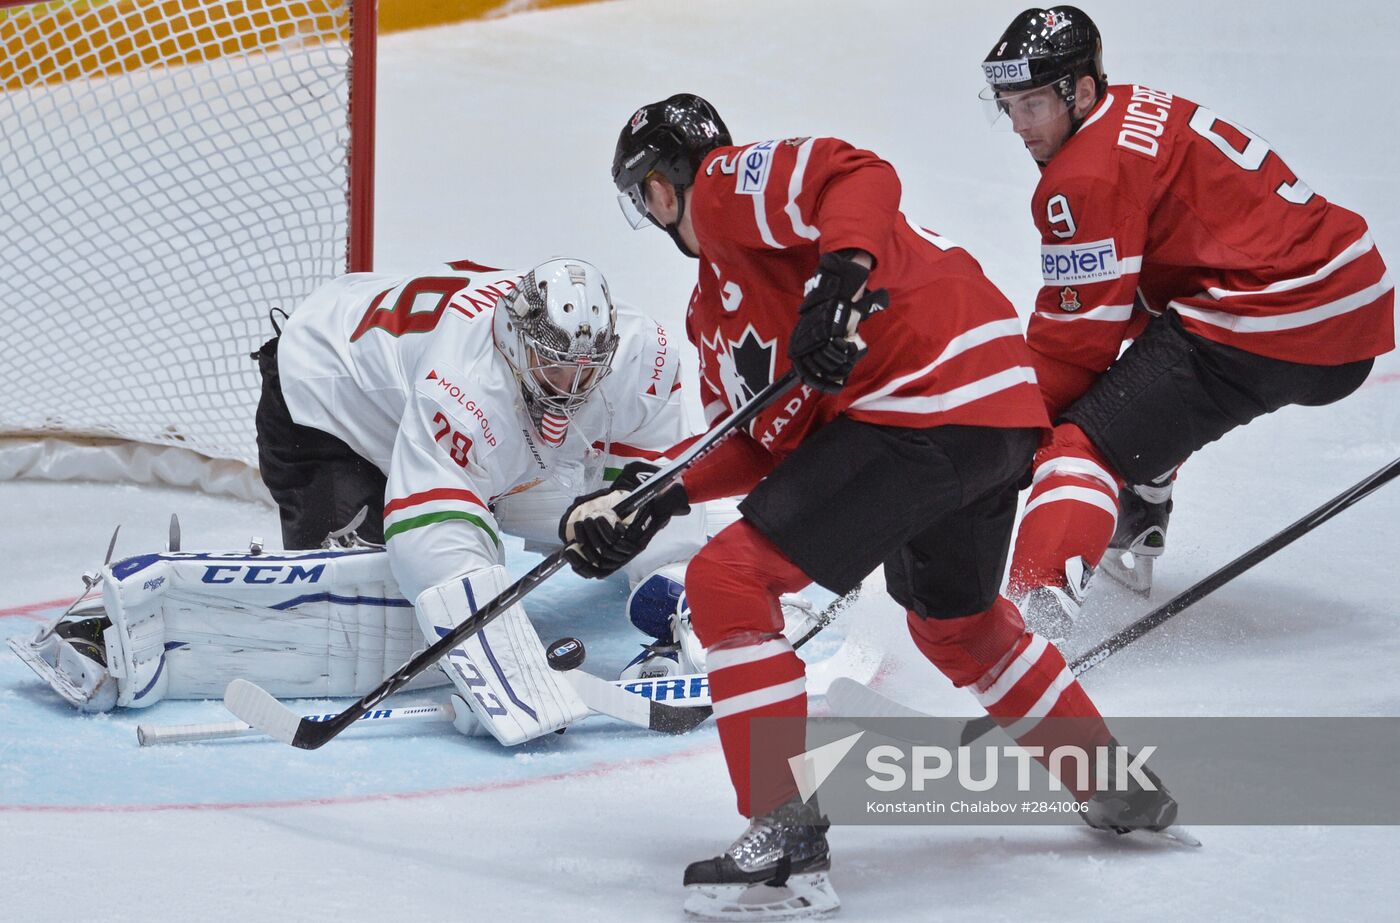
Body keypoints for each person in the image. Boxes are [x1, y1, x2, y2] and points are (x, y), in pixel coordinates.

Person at [560, 94, 1177, 921]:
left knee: (728, 579)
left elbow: (854, 173)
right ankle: (1107, 780)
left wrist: (840, 278)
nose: (651, 212)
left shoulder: (723, 188)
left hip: (927, 394)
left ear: (662, 189)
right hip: (991, 414)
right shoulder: (712, 313)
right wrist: (653, 497)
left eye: (644, 195)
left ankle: (785, 842)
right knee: (957, 625)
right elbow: (761, 447)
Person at [14, 259, 715, 745]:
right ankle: (115, 623)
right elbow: (432, 535)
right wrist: (506, 679)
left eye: (584, 366)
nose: (569, 381)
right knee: (358, 609)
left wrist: (664, 573)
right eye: (552, 362)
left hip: (452, 423)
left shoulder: (638, 354)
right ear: (514, 336)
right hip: (326, 402)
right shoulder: (466, 386)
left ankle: (681, 601)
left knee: (600, 505)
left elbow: (654, 477)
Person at [979, 7, 1394, 638]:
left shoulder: (1084, 175)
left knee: (1077, 442)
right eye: (1007, 104)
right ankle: (1142, 503)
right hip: (1345, 296)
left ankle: (1027, 635)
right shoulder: (1134, 106)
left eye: (1032, 103)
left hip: (1276, 316)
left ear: (1081, 90)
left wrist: (998, 436)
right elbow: (1133, 300)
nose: (1017, 124)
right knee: (1146, 360)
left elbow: (1075, 346)